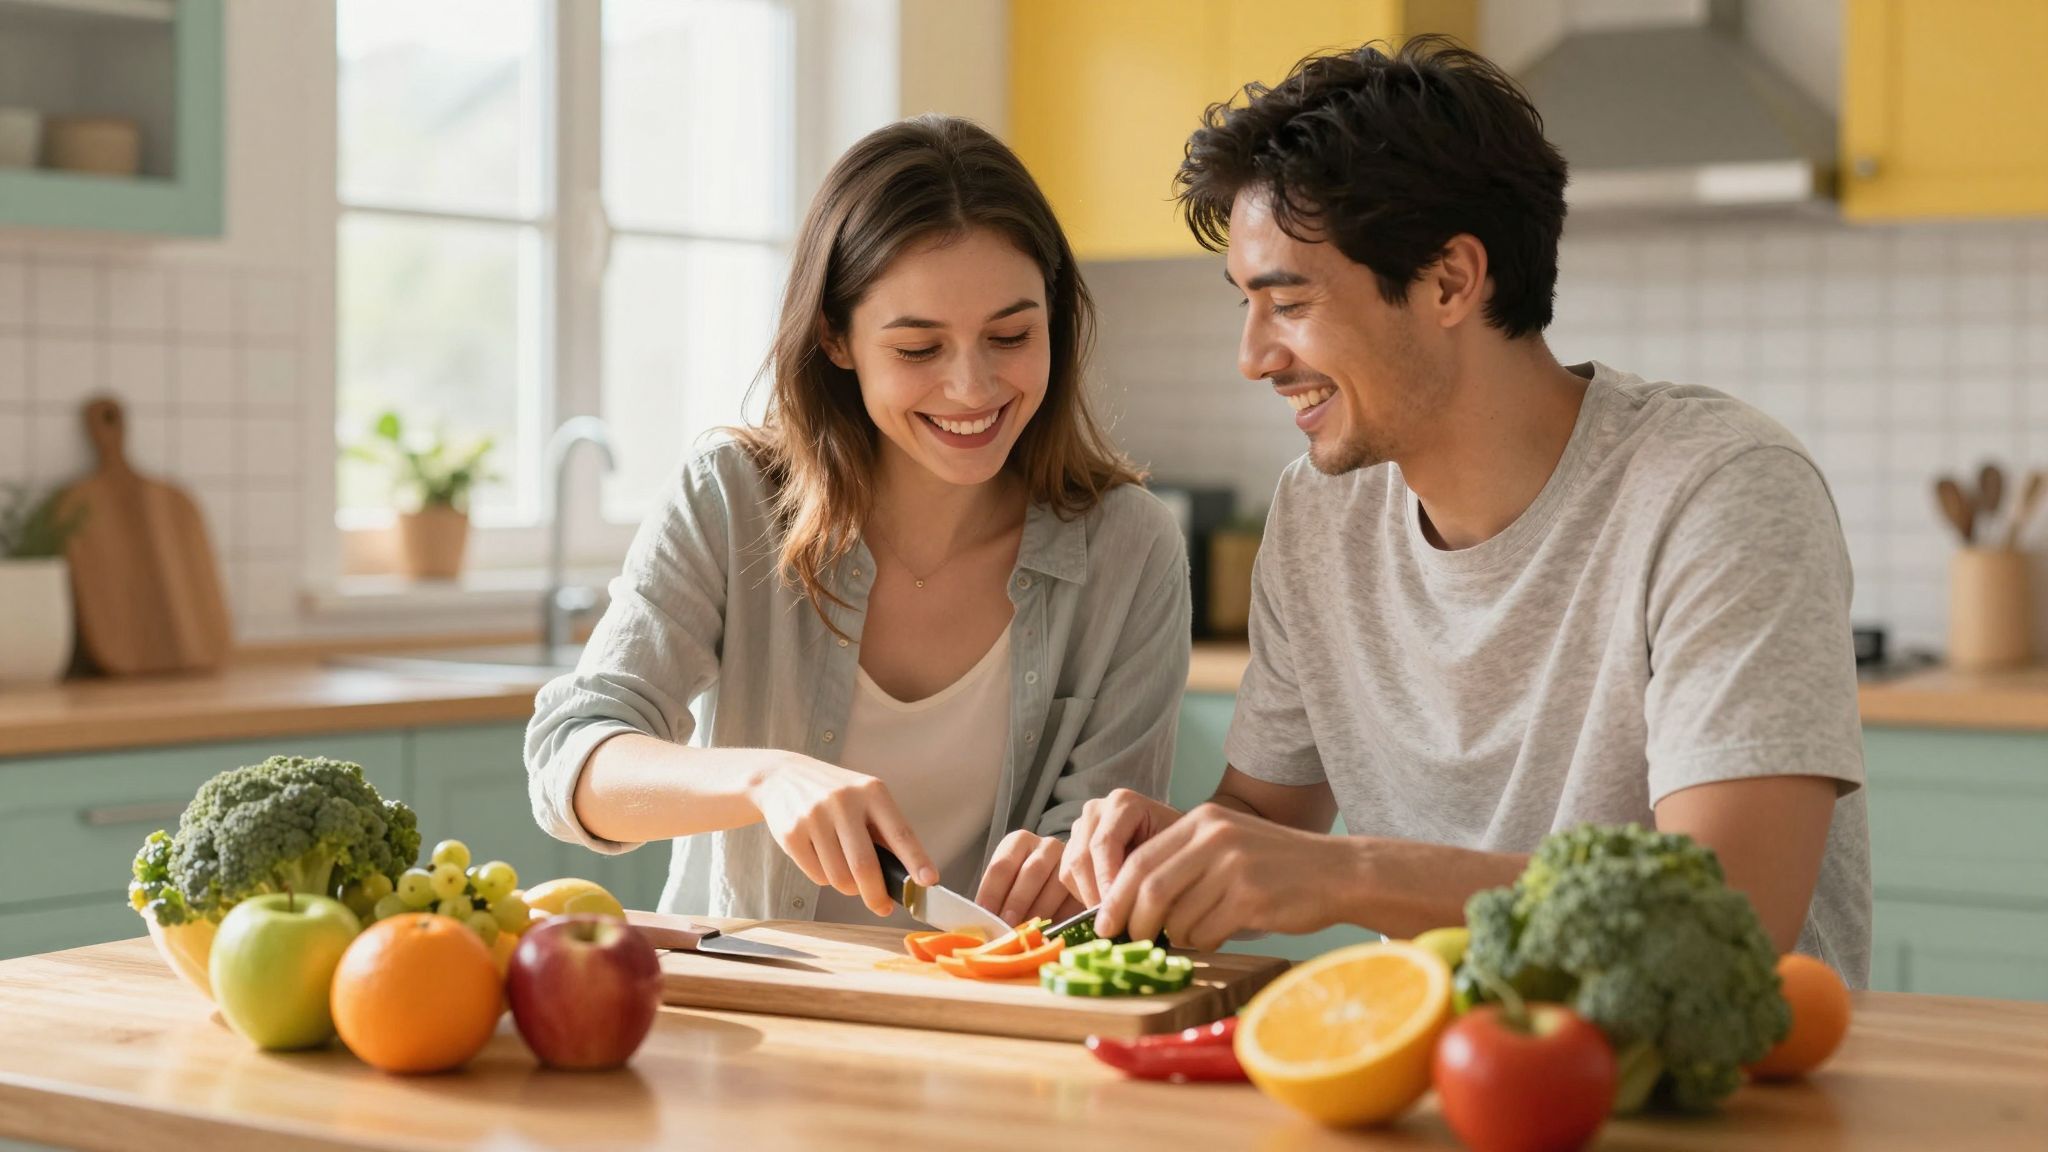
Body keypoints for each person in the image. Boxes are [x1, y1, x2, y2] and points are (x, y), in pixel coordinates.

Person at [1061, 38, 1871, 985]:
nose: (1253, 356)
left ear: (1451, 280)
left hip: (1719, 1106)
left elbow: (1726, 915)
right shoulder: (1318, 513)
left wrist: (1348, 873)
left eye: (1287, 303)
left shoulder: (1719, 487)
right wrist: (1169, 854)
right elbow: (1271, 820)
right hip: (1455, 1080)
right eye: (1246, 304)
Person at [527, 116, 1189, 929]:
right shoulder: (731, 499)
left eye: (1011, 335)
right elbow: (572, 762)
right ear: (836, 339)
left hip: (990, 1024)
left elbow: (1100, 864)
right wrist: (766, 780)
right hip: (757, 1012)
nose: (973, 387)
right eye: (919, 349)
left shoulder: (1133, 548)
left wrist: (1082, 869)